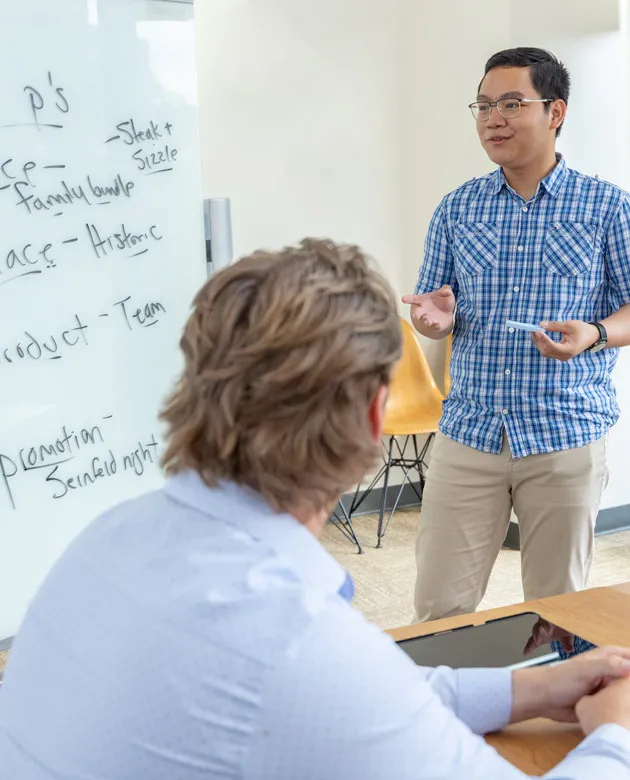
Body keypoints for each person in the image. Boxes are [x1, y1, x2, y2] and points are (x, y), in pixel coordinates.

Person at [3, 239, 630, 779]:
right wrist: (615, 736)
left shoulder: (113, 536)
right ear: (372, 417)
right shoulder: (293, 641)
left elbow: (370, 694)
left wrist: (531, 689)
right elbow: (333, 686)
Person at [403, 47, 630, 623]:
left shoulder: (608, 208)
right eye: (482, 106)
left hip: (564, 431)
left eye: (510, 104)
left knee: (558, 614)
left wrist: (596, 333)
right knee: (439, 608)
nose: (491, 119)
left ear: (555, 112)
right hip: (468, 432)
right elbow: (431, 305)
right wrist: (432, 319)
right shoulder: (457, 209)